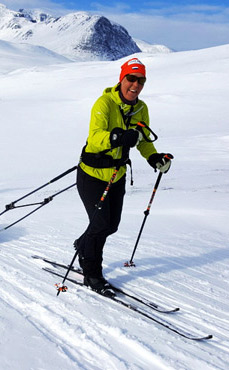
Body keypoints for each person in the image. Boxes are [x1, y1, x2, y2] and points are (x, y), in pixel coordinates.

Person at [75, 58, 172, 297]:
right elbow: (95, 137)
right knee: (99, 225)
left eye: (141, 80)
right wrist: (118, 138)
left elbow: (144, 141)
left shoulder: (141, 108)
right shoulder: (104, 103)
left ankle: (82, 245)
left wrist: (153, 158)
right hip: (92, 175)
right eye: (131, 78)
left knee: (111, 225)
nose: (135, 85)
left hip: (117, 176)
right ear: (122, 79)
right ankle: (92, 273)